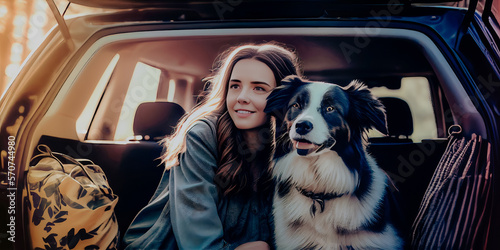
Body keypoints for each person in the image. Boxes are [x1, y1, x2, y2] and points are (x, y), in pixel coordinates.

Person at [122, 42, 302, 249]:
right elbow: (198, 240)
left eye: (259, 88)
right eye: (235, 86)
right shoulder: (201, 135)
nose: (242, 97)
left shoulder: (298, 146)